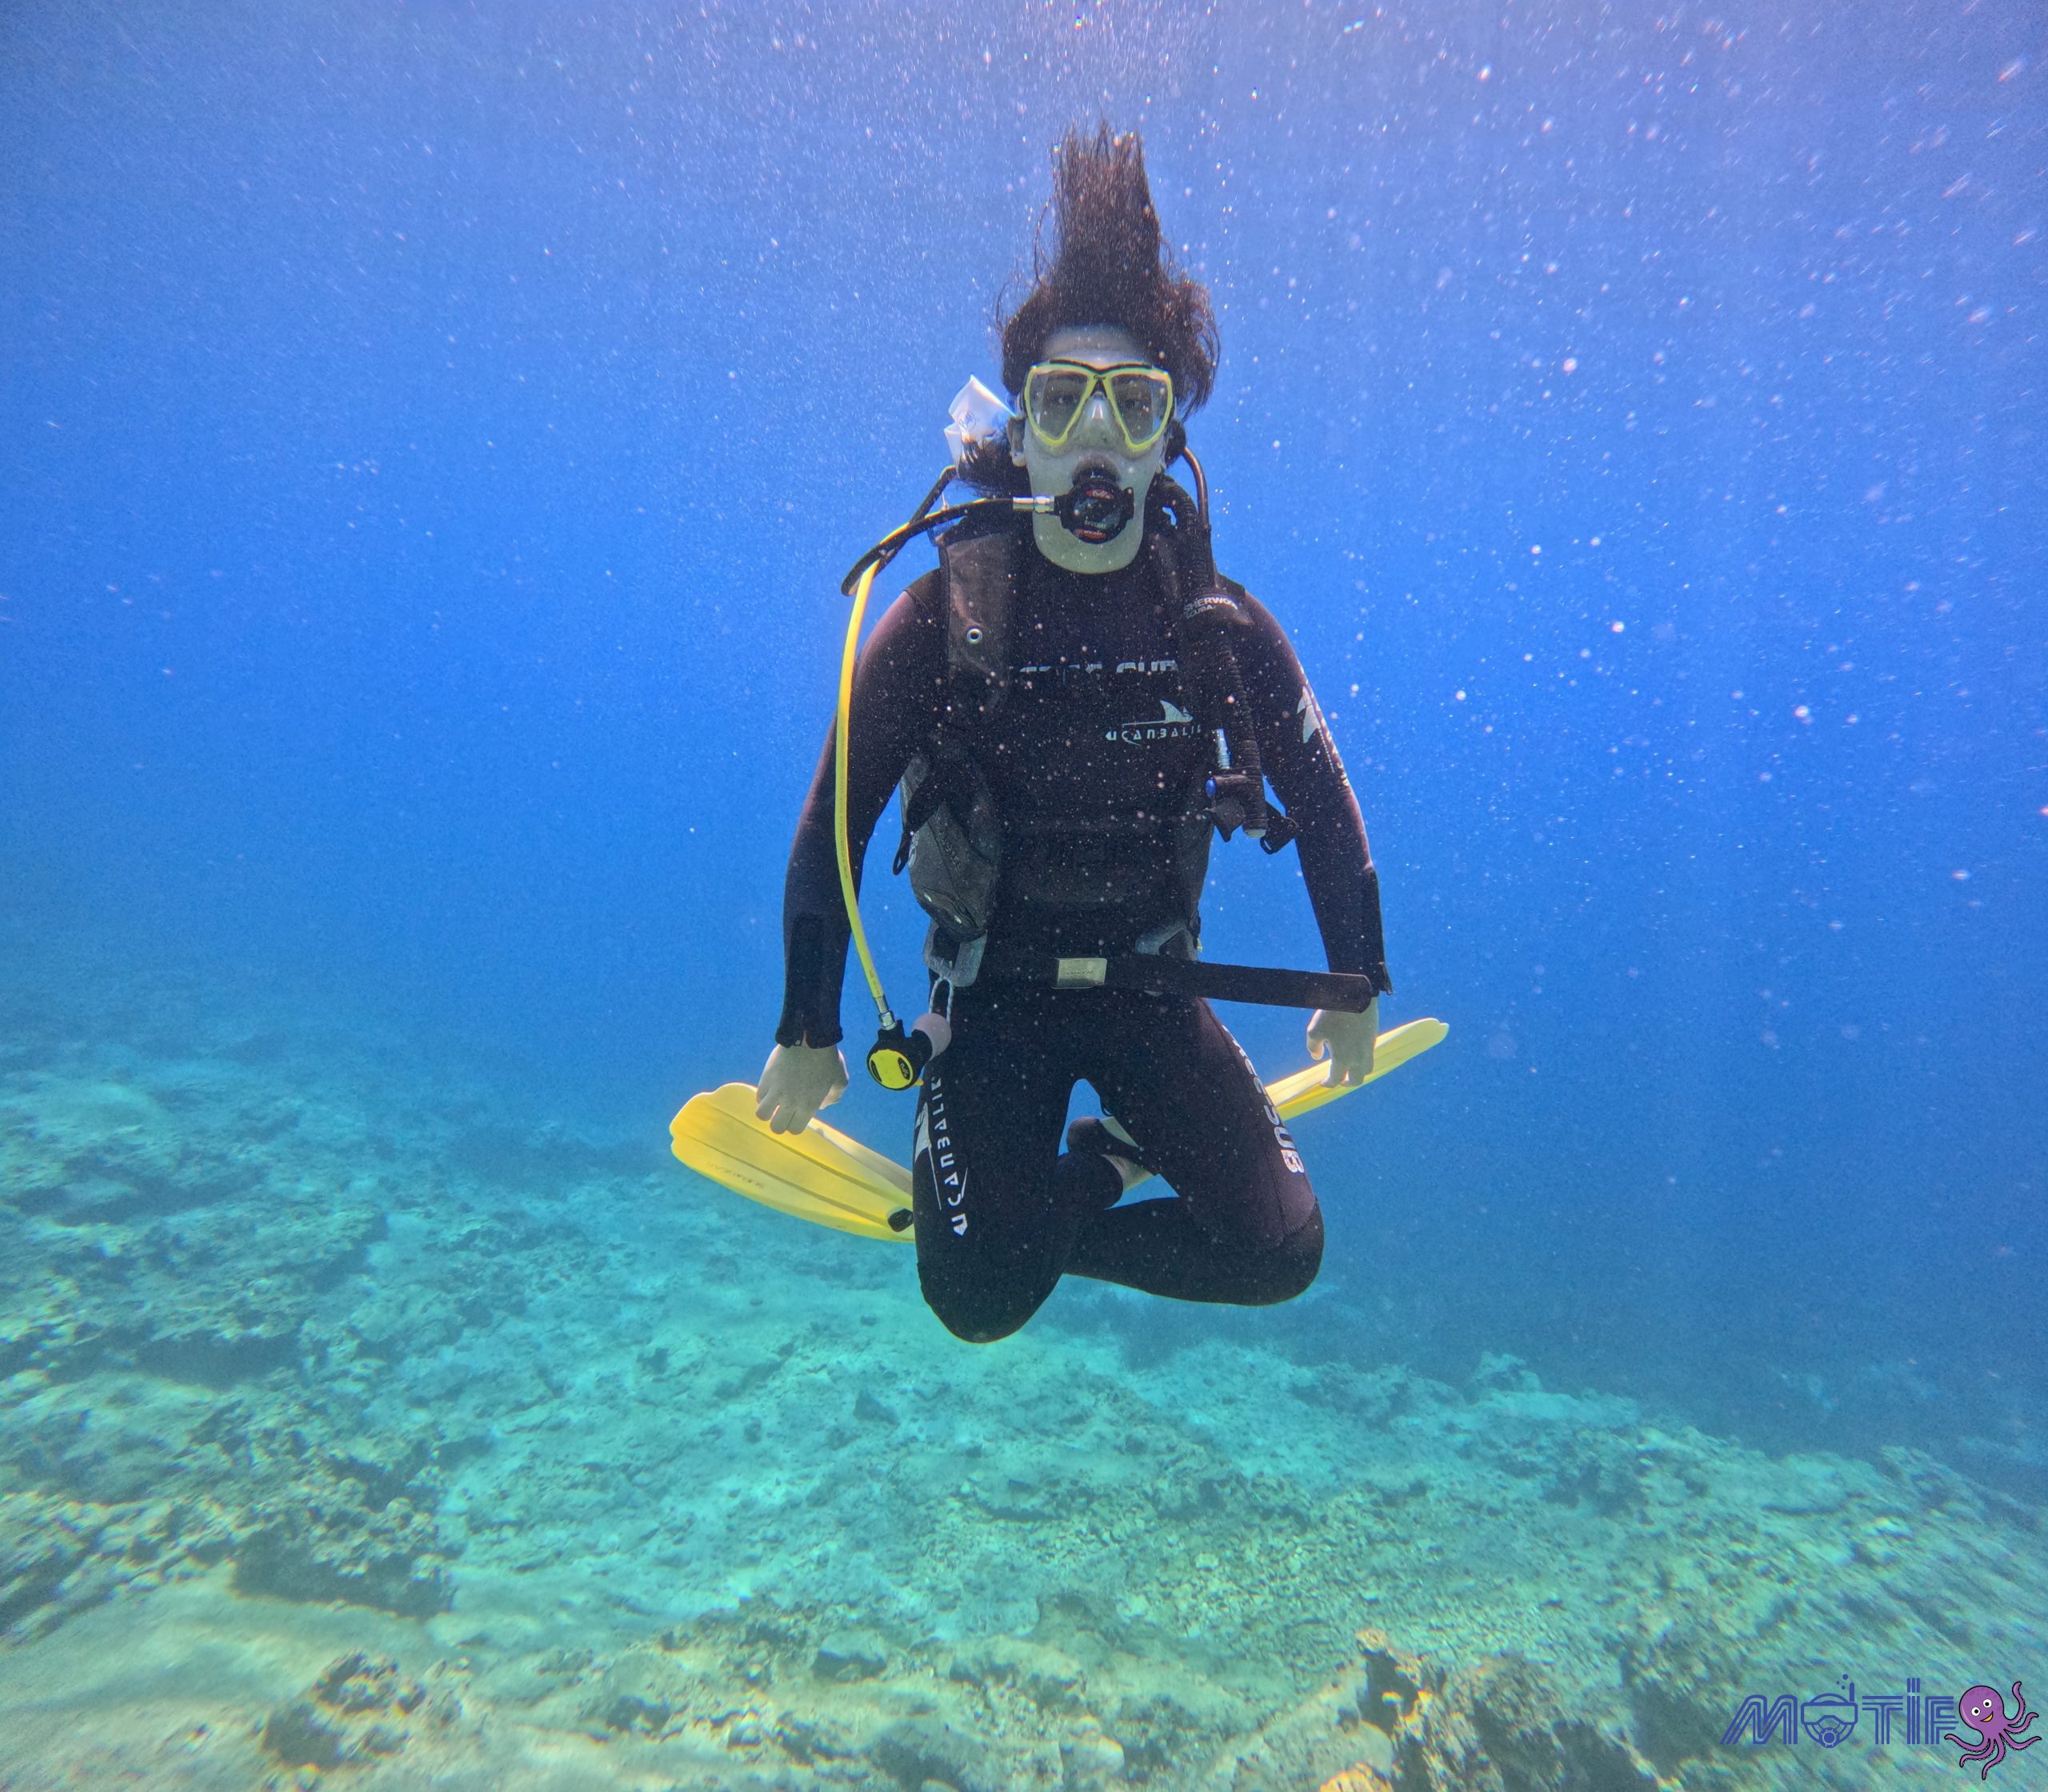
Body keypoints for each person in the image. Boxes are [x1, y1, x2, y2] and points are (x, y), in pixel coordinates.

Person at [755, 126, 1390, 1342]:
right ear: (1022, 432)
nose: (1097, 438)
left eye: (1133, 405)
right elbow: (833, 823)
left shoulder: (1220, 629)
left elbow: (1319, 795)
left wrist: (1358, 978)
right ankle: (1088, 1175)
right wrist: (807, 1026)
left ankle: (1039, 1220)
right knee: (976, 1304)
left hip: (1154, 985)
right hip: (990, 1000)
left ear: (1167, 440)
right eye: (1062, 400)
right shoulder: (940, 619)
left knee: (1279, 1257)